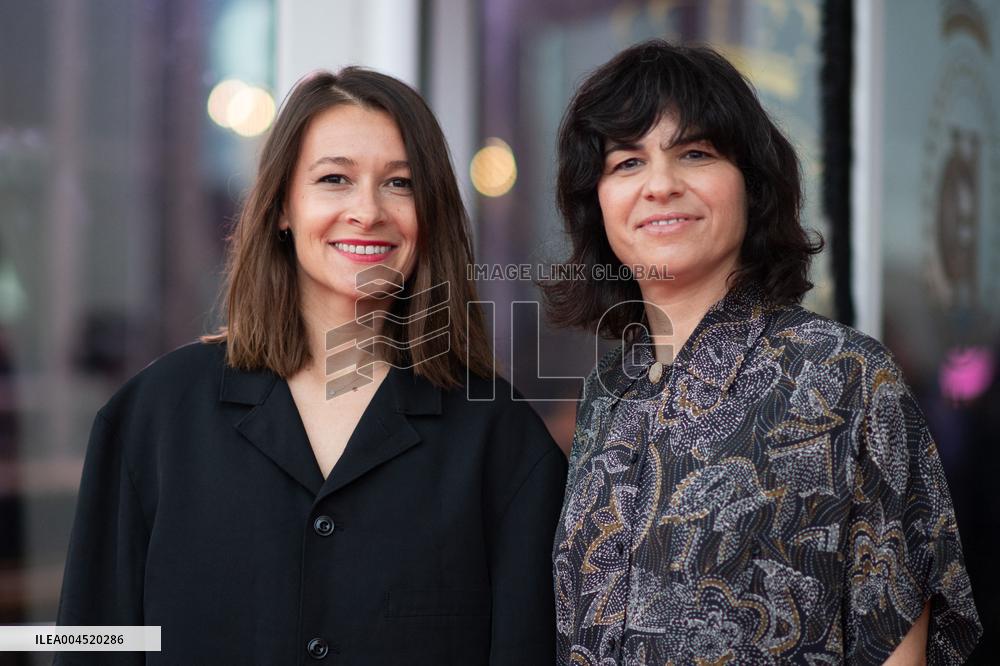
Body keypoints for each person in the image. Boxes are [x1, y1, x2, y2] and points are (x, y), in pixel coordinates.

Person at [56, 68, 567, 665]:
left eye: (399, 183)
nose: (367, 210)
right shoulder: (151, 418)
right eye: (334, 179)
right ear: (281, 208)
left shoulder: (502, 441)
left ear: (429, 214)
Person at [544, 40, 981, 664]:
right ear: (598, 205)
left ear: (751, 185)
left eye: (694, 153)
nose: (660, 185)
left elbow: (896, 640)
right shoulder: (609, 394)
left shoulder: (841, 378)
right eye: (627, 163)